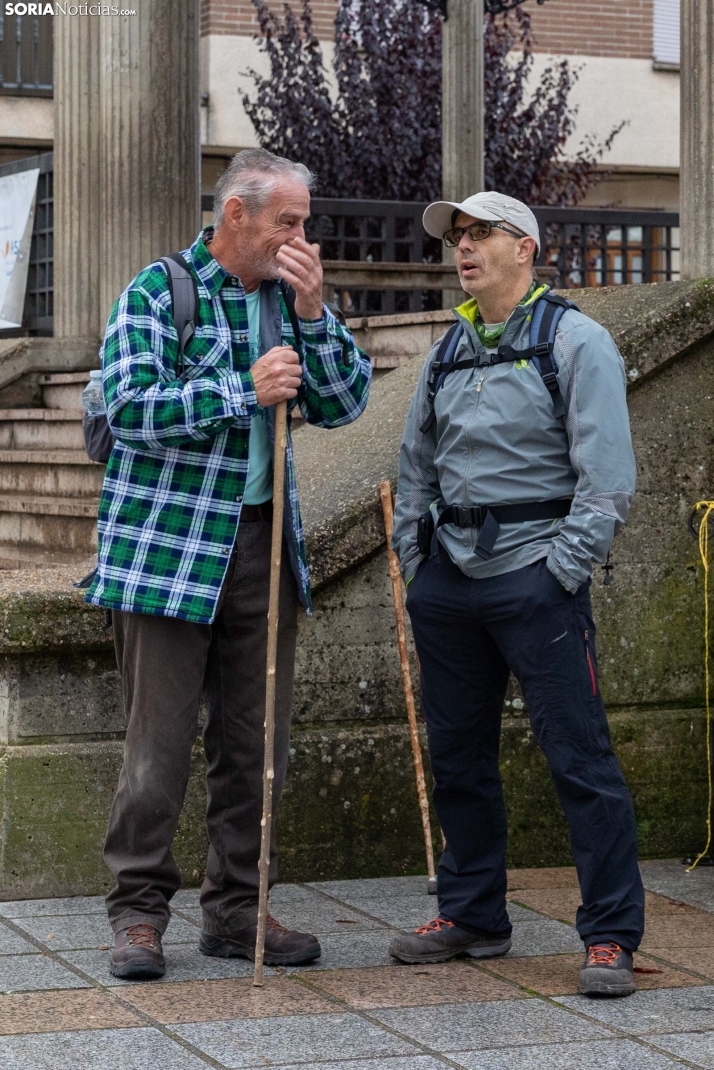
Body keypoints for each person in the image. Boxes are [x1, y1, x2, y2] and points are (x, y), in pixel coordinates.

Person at [86, 148, 371, 980]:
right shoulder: (157, 290)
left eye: (305, 222)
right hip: (167, 548)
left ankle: (238, 910)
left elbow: (348, 403)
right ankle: (137, 914)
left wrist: (317, 317)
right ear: (235, 216)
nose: (301, 236)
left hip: (262, 544)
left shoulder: (292, 298)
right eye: (289, 221)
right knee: (157, 749)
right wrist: (242, 391)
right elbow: (129, 407)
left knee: (257, 747)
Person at [390, 191, 643, 998]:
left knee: (580, 758)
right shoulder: (447, 349)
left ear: (525, 247)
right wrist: (416, 565)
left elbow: (607, 480)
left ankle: (610, 935)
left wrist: (559, 573)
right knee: (458, 756)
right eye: (457, 237)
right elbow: (413, 464)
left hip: (537, 581)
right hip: (449, 585)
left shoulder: (577, 341)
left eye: (480, 234)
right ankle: (474, 915)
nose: (463, 248)